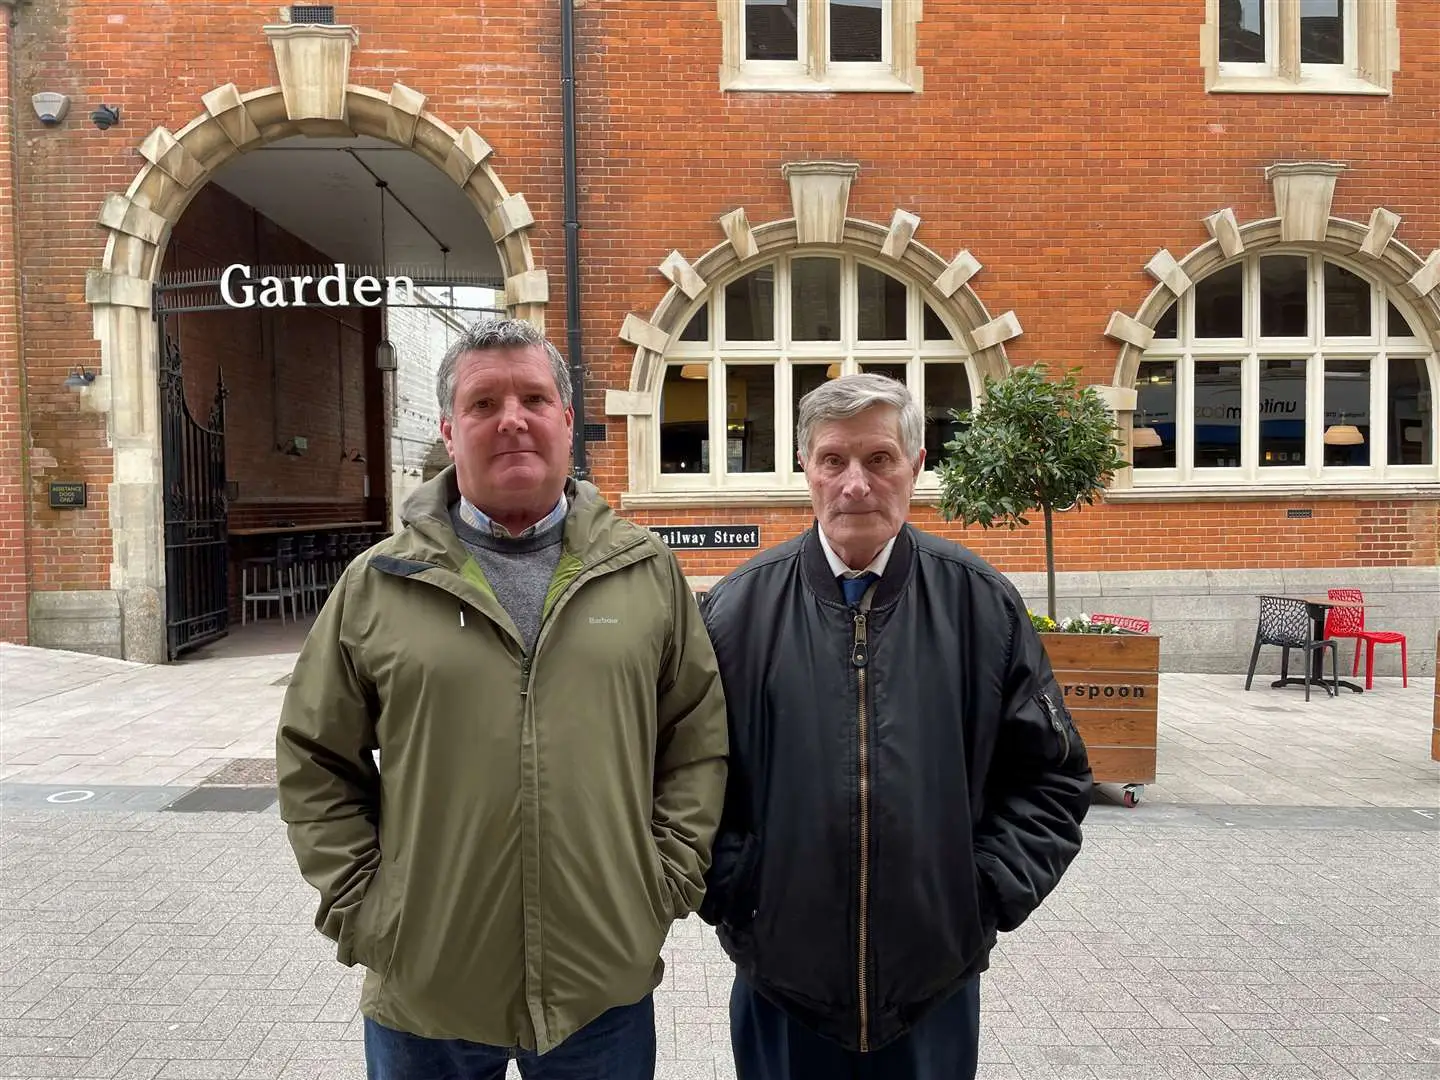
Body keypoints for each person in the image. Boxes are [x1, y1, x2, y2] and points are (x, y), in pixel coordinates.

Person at [276, 317, 728, 1080]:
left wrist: (663, 881)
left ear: (564, 421)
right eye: (485, 404)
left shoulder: (644, 572)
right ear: (451, 433)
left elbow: (696, 739)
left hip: (600, 988)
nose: (512, 418)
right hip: (427, 993)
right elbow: (314, 757)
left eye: (533, 397)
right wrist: (368, 911)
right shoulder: (379, 583)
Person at [698, 374, 1093, 1080]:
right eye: (833, 460)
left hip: (930, 989)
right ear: (805, 470)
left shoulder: (981, 607)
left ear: (915, 466)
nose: (855, 483)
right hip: (782, 988)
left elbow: (1052, 776)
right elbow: (685, 779)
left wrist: (982, 894)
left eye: (878, 459)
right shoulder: (736, 613)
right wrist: (737, 888)